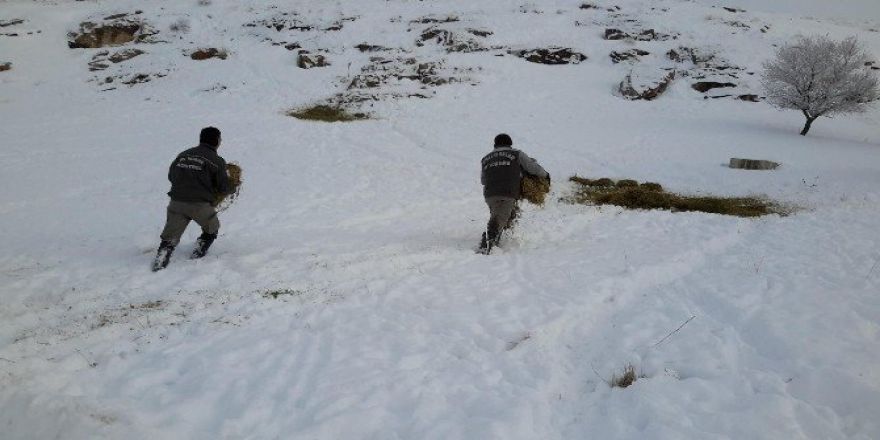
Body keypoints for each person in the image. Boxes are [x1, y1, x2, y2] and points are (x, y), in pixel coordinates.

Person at [152, 127, 231, 271]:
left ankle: (162, 256)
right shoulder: (216, 161)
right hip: (199, 205)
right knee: (212, 228)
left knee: (170, 236)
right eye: (220, 139)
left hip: (176, 203)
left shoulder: (183, 155)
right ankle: (199, 251)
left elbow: (171, 176)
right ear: (217, 140)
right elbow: (223, 187)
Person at [478, 133, 549, 254]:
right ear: (510, 144)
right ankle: (487, 244)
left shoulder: (485, 158)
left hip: (490, 194)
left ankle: (493, 242)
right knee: (500, 219)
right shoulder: (516, 154)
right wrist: (545, 175)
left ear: (495, 145)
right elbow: (531, 167)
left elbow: (483, 180)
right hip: (507, 192)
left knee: (498, 216)